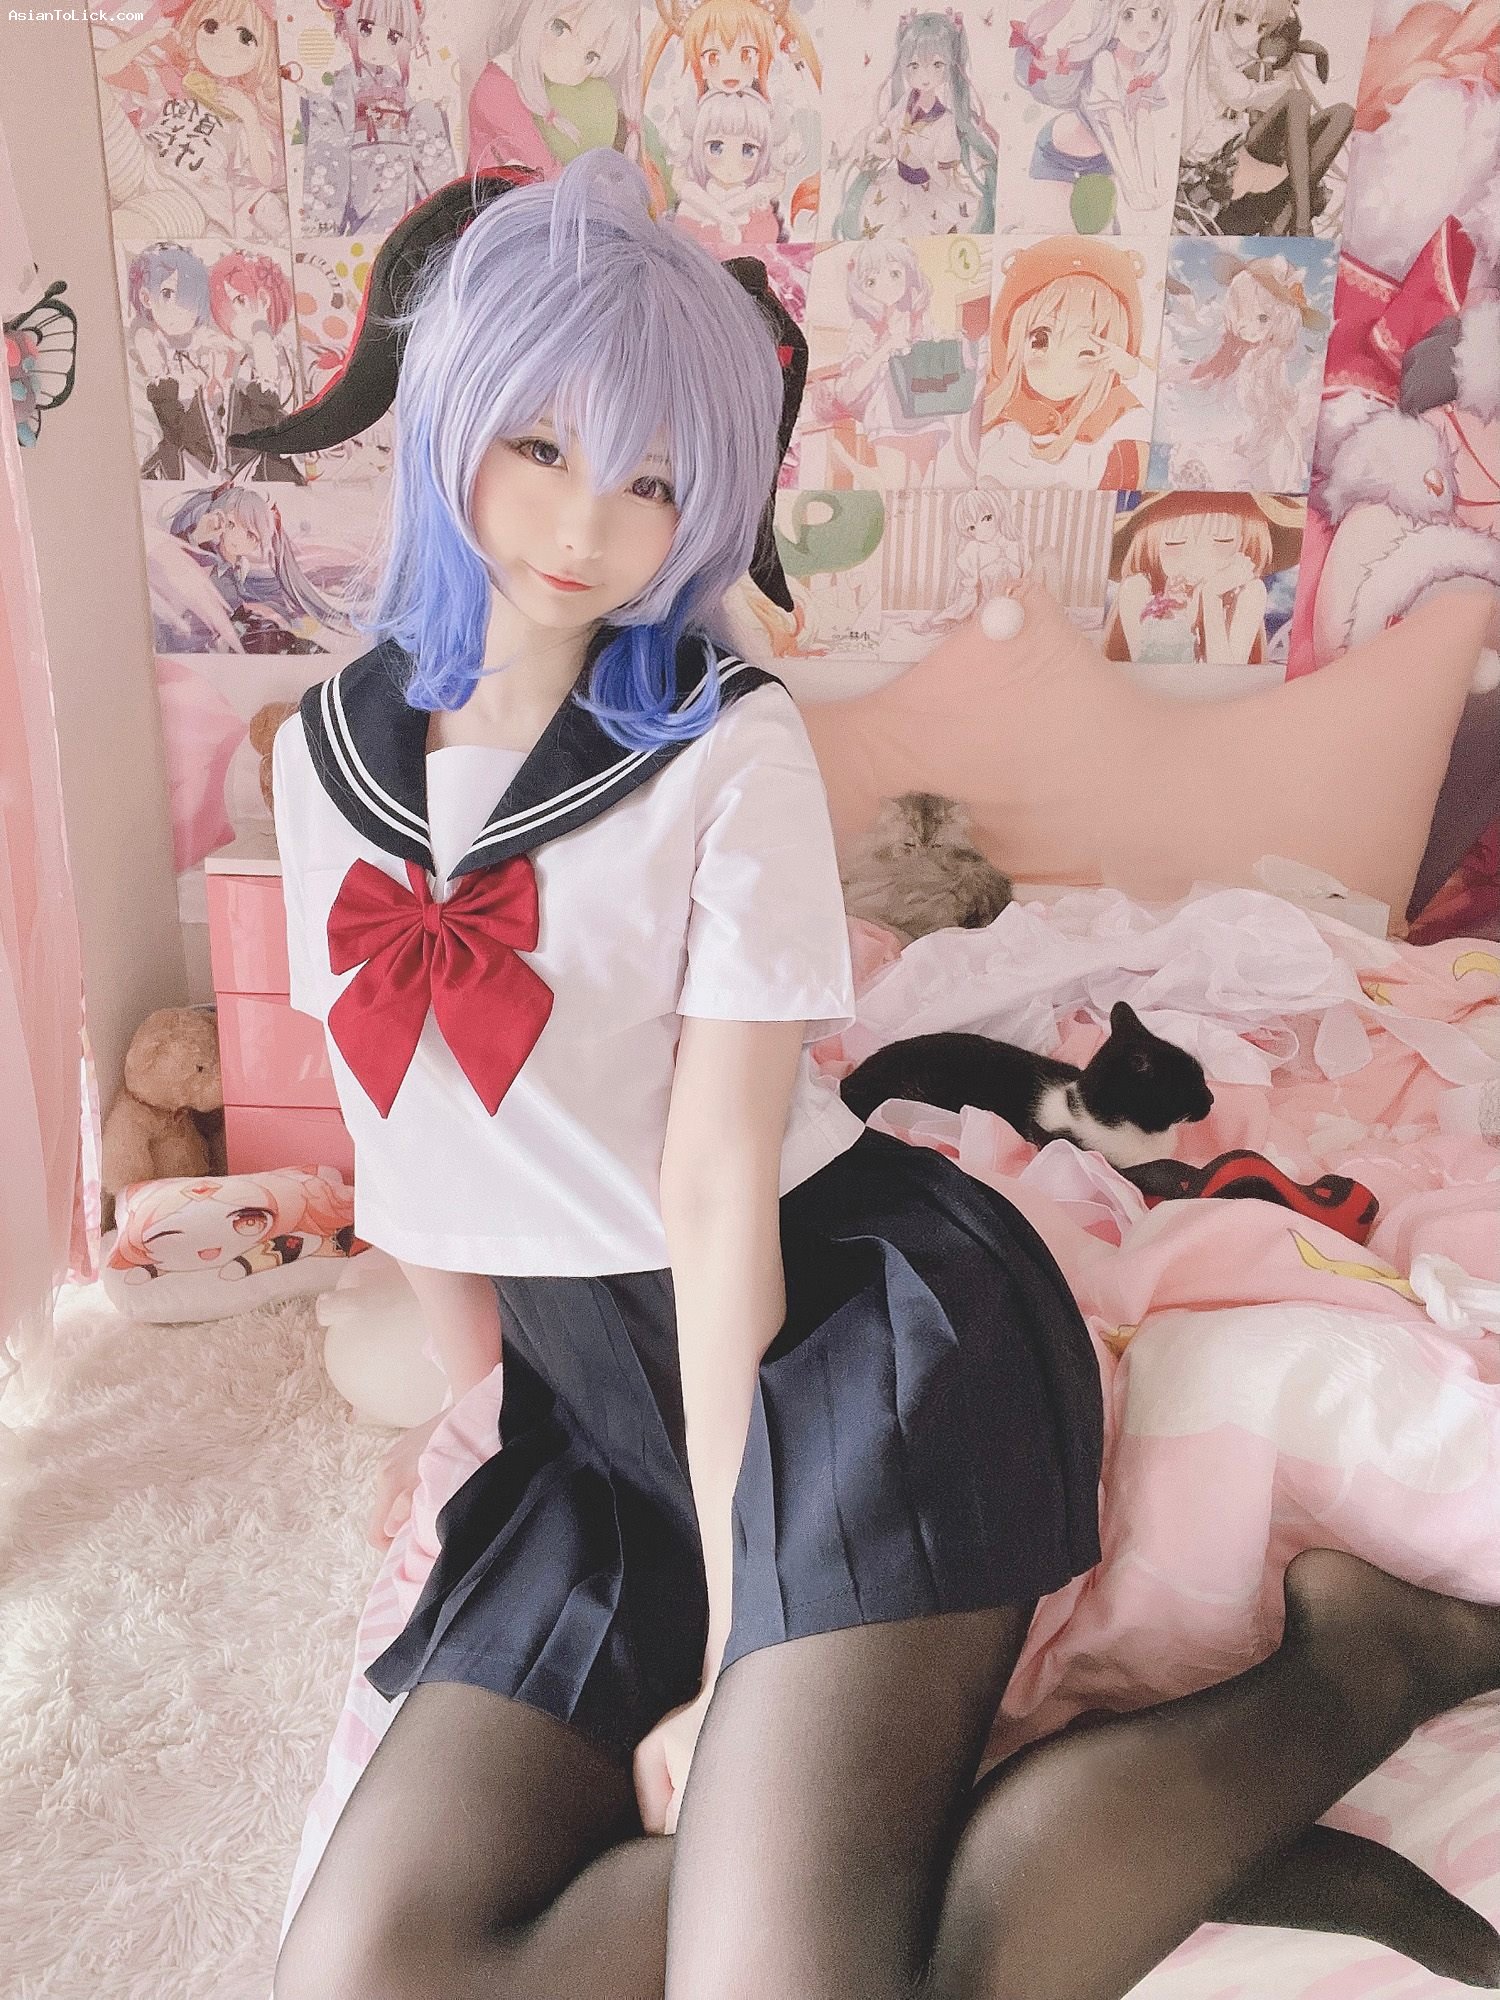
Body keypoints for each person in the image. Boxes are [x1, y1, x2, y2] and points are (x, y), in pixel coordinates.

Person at [264, 154, 1500, 2000]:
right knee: (373, 1971)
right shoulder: (322, 756)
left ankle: (1362, 1663)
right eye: (539, 444)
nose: (586, 522)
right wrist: (485, 1433)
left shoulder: (724, 748)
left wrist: (725, 1638)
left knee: (785, 1983)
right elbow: (410, 1141)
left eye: (655, 479)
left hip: (844, 1341)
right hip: (592, 1405)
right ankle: (1022, 1835)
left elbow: (713, 1190)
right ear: (450, 405)